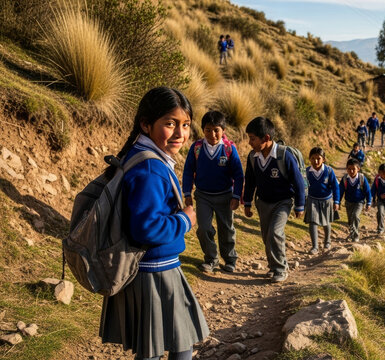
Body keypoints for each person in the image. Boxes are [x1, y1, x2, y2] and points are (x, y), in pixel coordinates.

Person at [99, 87, 208, 360]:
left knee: (160, 345)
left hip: (153, 269)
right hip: (154, 272)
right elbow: (145, 228)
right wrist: (185, 220)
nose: (179, 134)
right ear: (146, 124)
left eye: (185, 125)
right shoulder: (150, 168)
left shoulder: (146, 157)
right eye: (169, 124)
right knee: (170, 346)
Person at [243, 117, 306, 283]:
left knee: (275, 232)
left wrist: (300, 205)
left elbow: (297, 181)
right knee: (266, 236)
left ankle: (281, 268)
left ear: (266, 138)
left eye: (253, 138)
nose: (250, 142)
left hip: (283, 202)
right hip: (263, 202)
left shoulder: (283, 155)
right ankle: (273, 266)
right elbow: (249, 181)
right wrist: (247, 202)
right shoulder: (253, 157)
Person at [182, 111, 244, 274]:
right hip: (203, 196)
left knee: (226, 228)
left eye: (216, 130)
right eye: (208, 130)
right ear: (203, 130)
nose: (212, 134)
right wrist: (187, 193)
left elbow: (238, 173)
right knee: (203, 228)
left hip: (225, 196)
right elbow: (188, 171)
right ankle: (211, 259)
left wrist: (236, 196)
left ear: (223, 130)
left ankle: (230, 259)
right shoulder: (196, 148)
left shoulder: (229, 148)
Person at [304, 147, 340, 253]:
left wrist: (336, 201)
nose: (316, 161)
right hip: (312, 200)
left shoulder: (329, 171)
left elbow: (335, 187)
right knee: (313, 222)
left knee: (326, 222)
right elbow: (303, 187)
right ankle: (314, 246)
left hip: (327, 200)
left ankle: (327, 242)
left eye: (318, 158)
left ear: (323, 159)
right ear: (310, 159)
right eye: (313, 158)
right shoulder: (307, 172)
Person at [339, 158, 371, 242]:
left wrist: (369, 203)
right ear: (346, 169)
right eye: (349, 169)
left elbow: (367, 191)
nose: (351, 171)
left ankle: (356, 236)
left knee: (355, 216)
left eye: (354, 169)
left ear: (358, 169)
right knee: (350, 220)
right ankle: (352, 234)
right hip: (348, 202)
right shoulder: (345, 179)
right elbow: (341, 191)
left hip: (359, 202)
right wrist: (337, 201)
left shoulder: (362, 178)